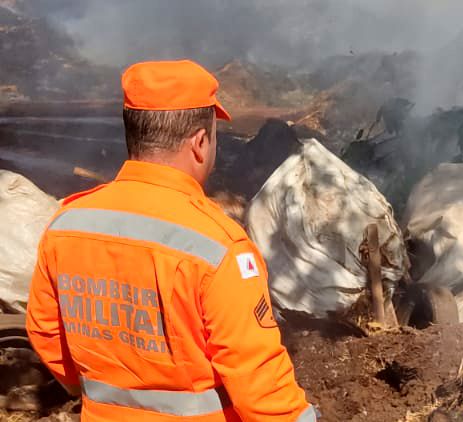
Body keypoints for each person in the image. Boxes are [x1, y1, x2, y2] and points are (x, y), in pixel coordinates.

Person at [25, 60, 316, 421]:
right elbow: (261, 389)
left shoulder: (66, 225)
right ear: (199, 143)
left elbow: (46, 334)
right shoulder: (219, 247)